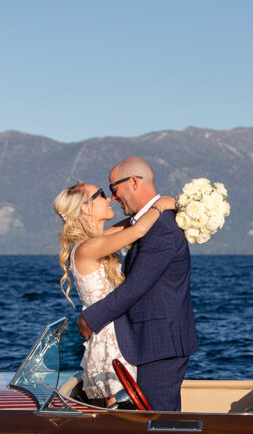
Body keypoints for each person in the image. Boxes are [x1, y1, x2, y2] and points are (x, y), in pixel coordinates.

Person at [78, 157, 198, 411]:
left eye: (113, 189)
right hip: (147, 340)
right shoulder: (153, 221)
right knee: (149, 420)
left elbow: (136, 286)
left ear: (132, 182)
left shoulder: (162, 228)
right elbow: (133, 228)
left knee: (158, 420)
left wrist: (91, 318)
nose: (112, 197)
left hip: (160, 341)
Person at [55, 182, 174, 406]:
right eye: (100, 194)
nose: (109, 198)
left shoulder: (98, 241)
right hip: (110, 339)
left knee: (125, 405)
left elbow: (133, 222)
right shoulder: (87, 248)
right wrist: (161, 206)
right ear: (85, 208)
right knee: (119, 407)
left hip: (120, 334)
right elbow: (138, 230)